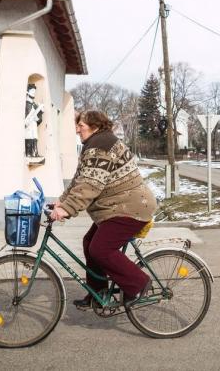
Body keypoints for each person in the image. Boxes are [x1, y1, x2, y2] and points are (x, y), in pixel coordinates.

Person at [47, 110, 157, 309]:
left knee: (100, 249)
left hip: (130, 208)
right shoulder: (94, 145)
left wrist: (67, 209)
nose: (77, 129)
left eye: (81, 125)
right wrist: (62, 202)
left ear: (95, 126)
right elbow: (79, 179)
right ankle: (98, 293)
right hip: (116, 208)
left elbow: (91, 184)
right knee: (90, 242)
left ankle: (139, 284)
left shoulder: (101, 145)